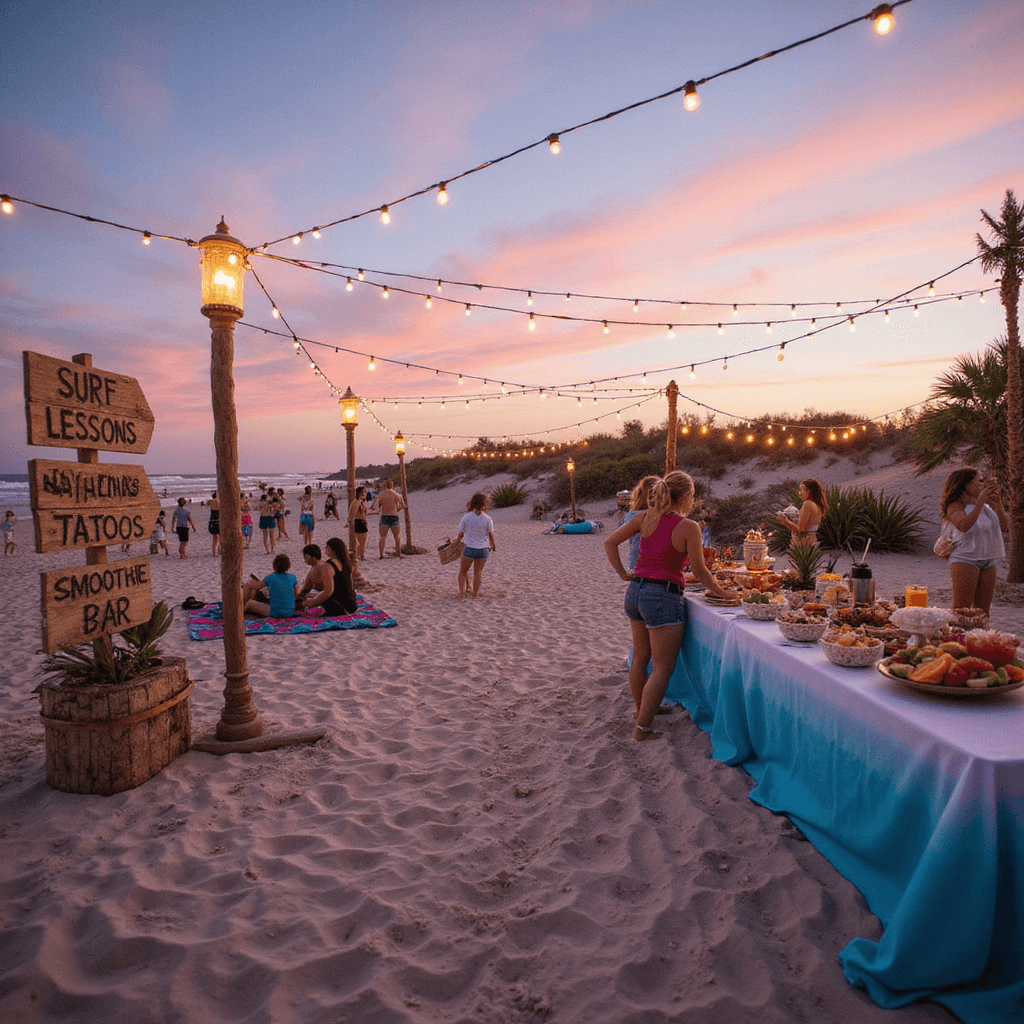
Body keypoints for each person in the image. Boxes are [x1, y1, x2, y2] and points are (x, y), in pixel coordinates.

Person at [604, 471, 736, 741]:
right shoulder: (688, 526)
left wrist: (622, 574)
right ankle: (642, 729)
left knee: (640, 658)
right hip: (662, 595)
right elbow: (699, 571)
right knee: (663, 668)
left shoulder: (644, 517)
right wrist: (723, 593)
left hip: (636, 591)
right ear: (686, 496)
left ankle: (643, 711)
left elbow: (610, 542)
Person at [941, 467, 1008, 616]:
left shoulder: (986, 507)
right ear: (966, 484)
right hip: (965, 559)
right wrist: (979, 505)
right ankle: (958, 639)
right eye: (979, 481)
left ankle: (981, 639)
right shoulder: (955, 506)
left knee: (983, 613)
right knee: (961, 611)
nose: (983, 485)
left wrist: (998, 504)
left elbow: (1004, 527)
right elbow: (963, 526)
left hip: (988, 560)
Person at [300, 538, 358, 615]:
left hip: (339, 606)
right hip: (352, 605)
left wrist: (312, 602)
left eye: (326, 547)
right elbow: (350, 586)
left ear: (332, 550)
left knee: (319, 598)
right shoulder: (347, 563)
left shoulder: (328, 566)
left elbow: (328, 591)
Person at [456, 492, 496, 598]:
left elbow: (461, 533)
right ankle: (475, 594)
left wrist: (456, 543)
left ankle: (461, 593)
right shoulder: (488, 518)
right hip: (483, 549)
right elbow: (490, 534)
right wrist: (493, 545)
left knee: (463, 571)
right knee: (478, 572)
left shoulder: (466, 517)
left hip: (469, 547)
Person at [621, 475, 660, 572]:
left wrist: (622, 573)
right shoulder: (660, 516)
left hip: (635, 563)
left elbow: (611, 542)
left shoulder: (630, 516)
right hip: (656, 566)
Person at [243, 553, 298, 618]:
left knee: (249, 603)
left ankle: (241, 609)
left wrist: (247, 584)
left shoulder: (270, 577)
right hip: (290, 612)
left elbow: (258, 586)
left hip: (276, 613)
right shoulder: (293, 577)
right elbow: (295, 595)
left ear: (274, 565)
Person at [776, 478, 827, 547]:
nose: (799, 493)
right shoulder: (817, 505)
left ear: (808, 491)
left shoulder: (807, 504)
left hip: (804, 543)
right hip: (812, 540)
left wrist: (786, 521)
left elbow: (800, 530)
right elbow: (808, 526)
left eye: (801, 490)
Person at [373, 479, 405, 558]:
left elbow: (376, 504)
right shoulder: (396, 494)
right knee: (397, 536)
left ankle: (381, 555)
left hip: (385, 516)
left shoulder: (382, 494)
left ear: (384, 486)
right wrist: (398, 509)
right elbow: (403, 505)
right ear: (392, 486)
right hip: (394, 515)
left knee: (383, 537)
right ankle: (398, 553)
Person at [347, 485, 370, 561]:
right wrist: (350, 521)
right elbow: (352, 513)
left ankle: (360, 556)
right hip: (359, 522)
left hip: (361, 522)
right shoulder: (356, 502)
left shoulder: (360, 502)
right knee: (362, 542)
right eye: (364, 492)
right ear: (361, 493)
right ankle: (361, 556)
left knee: (363, 541)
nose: (366, 493)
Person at [257, 490, 276, 554]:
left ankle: (268, 550)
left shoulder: (261, 503)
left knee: (265, 535)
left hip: (263, 517)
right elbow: (275, 508)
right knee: (271, 535)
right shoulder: (269, 503)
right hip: (269, 517)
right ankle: (271, 549)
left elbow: (258, 509)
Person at [207, 491, 221, 556]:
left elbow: (207, 503)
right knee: (221, 537)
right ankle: (220, 549)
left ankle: (213, 552)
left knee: (214, 538)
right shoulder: (219, 502)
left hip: (212, 520)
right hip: (218, 520)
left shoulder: (211, 502)